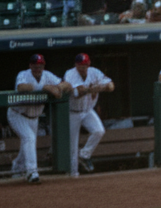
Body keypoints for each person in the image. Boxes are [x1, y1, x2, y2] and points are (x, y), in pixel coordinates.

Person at [7, 54, 66, 184]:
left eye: (40, 66)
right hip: (18, 114)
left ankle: (17, 168)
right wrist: (43, 88)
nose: (37, 68)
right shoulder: (24, 74)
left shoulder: (47, 75)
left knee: (27, 143)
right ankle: (32, 172)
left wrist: (58, 88)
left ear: (43, 66)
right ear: (30, 65)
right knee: (29, 138)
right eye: (35, 65)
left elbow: (67, 85)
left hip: (34, 117)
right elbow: (21, 87)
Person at [63, 53, 113, 177]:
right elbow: (78, 92)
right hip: (73, 112)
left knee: (99, 131)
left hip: (87, 110)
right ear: (76, 65)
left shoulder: (94, 72)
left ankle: (84, 155)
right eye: (80, 66)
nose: (82, 68)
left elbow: (111, 86)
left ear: (88, 64)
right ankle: (73, 175)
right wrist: (93, 88)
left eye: (84, 65)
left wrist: (103, 87)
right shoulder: (70, 74)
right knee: (72, 147)